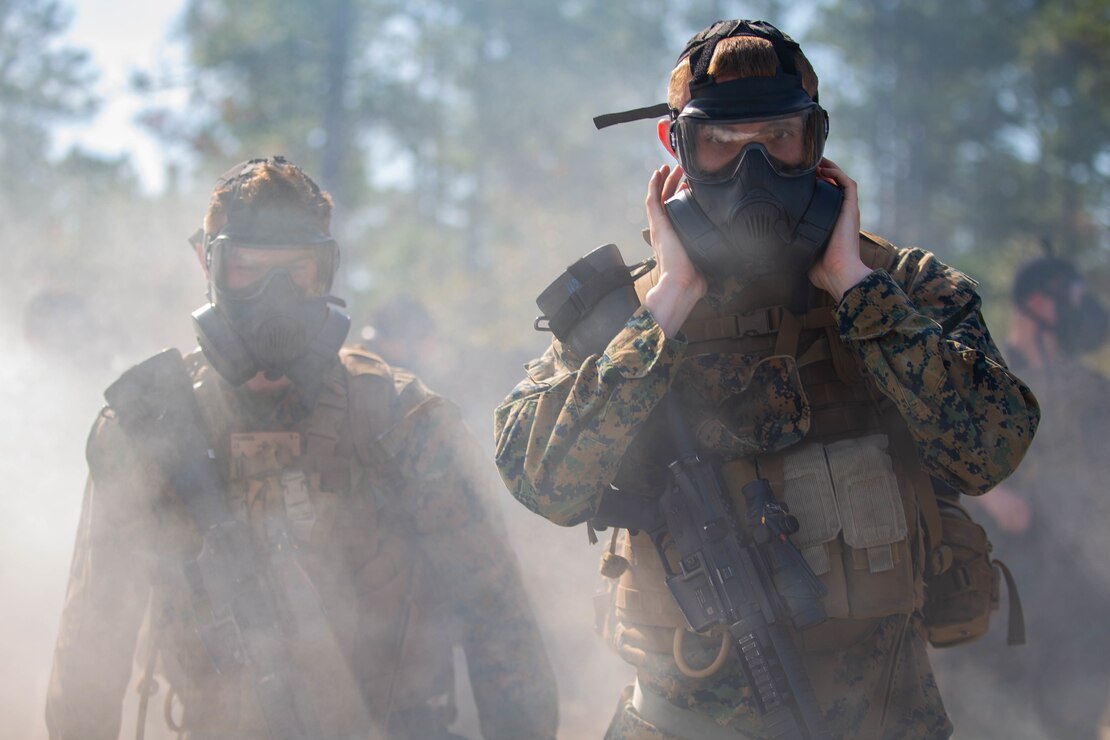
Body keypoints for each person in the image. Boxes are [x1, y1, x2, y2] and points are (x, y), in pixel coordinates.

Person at [493, 20, 1039, 740]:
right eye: (721, 143)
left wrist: (856, 290)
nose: (754, 169)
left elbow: (991, 450)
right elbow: (543, 482)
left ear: (815, 144)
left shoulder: (899, 288)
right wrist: (664, 310)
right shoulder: (627, 317)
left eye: (779, 138)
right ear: (676, 148)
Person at [46, 156, 558, 740]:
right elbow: (89, 657)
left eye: (297, 271)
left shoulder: (402, 420)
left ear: (327, 273)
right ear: (206, 264)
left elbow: (501, 629)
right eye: (246, 270)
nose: (275, 297)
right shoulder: (151, 430)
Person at [934, 254, 1110, 739]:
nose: (1086, 310)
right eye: (1072, 297)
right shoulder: (983, 375)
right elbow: (928, 446)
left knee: (1071, 720)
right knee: (986, 720)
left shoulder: (1094, 393)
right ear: (1037, 301)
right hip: (996, 593)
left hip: (1078, 605)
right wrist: (993, 495)